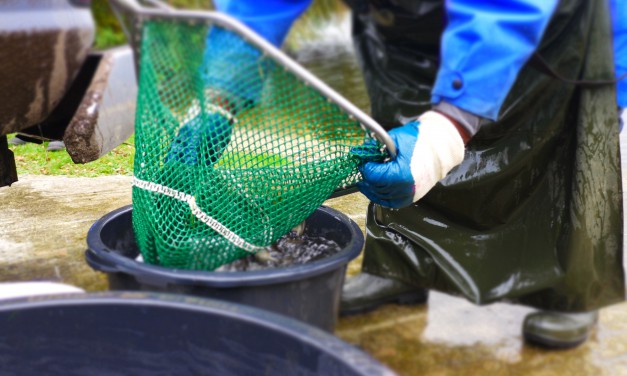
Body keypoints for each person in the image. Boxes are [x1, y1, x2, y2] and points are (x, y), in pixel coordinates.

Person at [213, 0, 626, 349]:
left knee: (566, 143)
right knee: (398, 142)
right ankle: (403, 264)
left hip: (548, 24)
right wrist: (222, 91)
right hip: (408, 35)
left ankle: (571, 289)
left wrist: (452, 124)